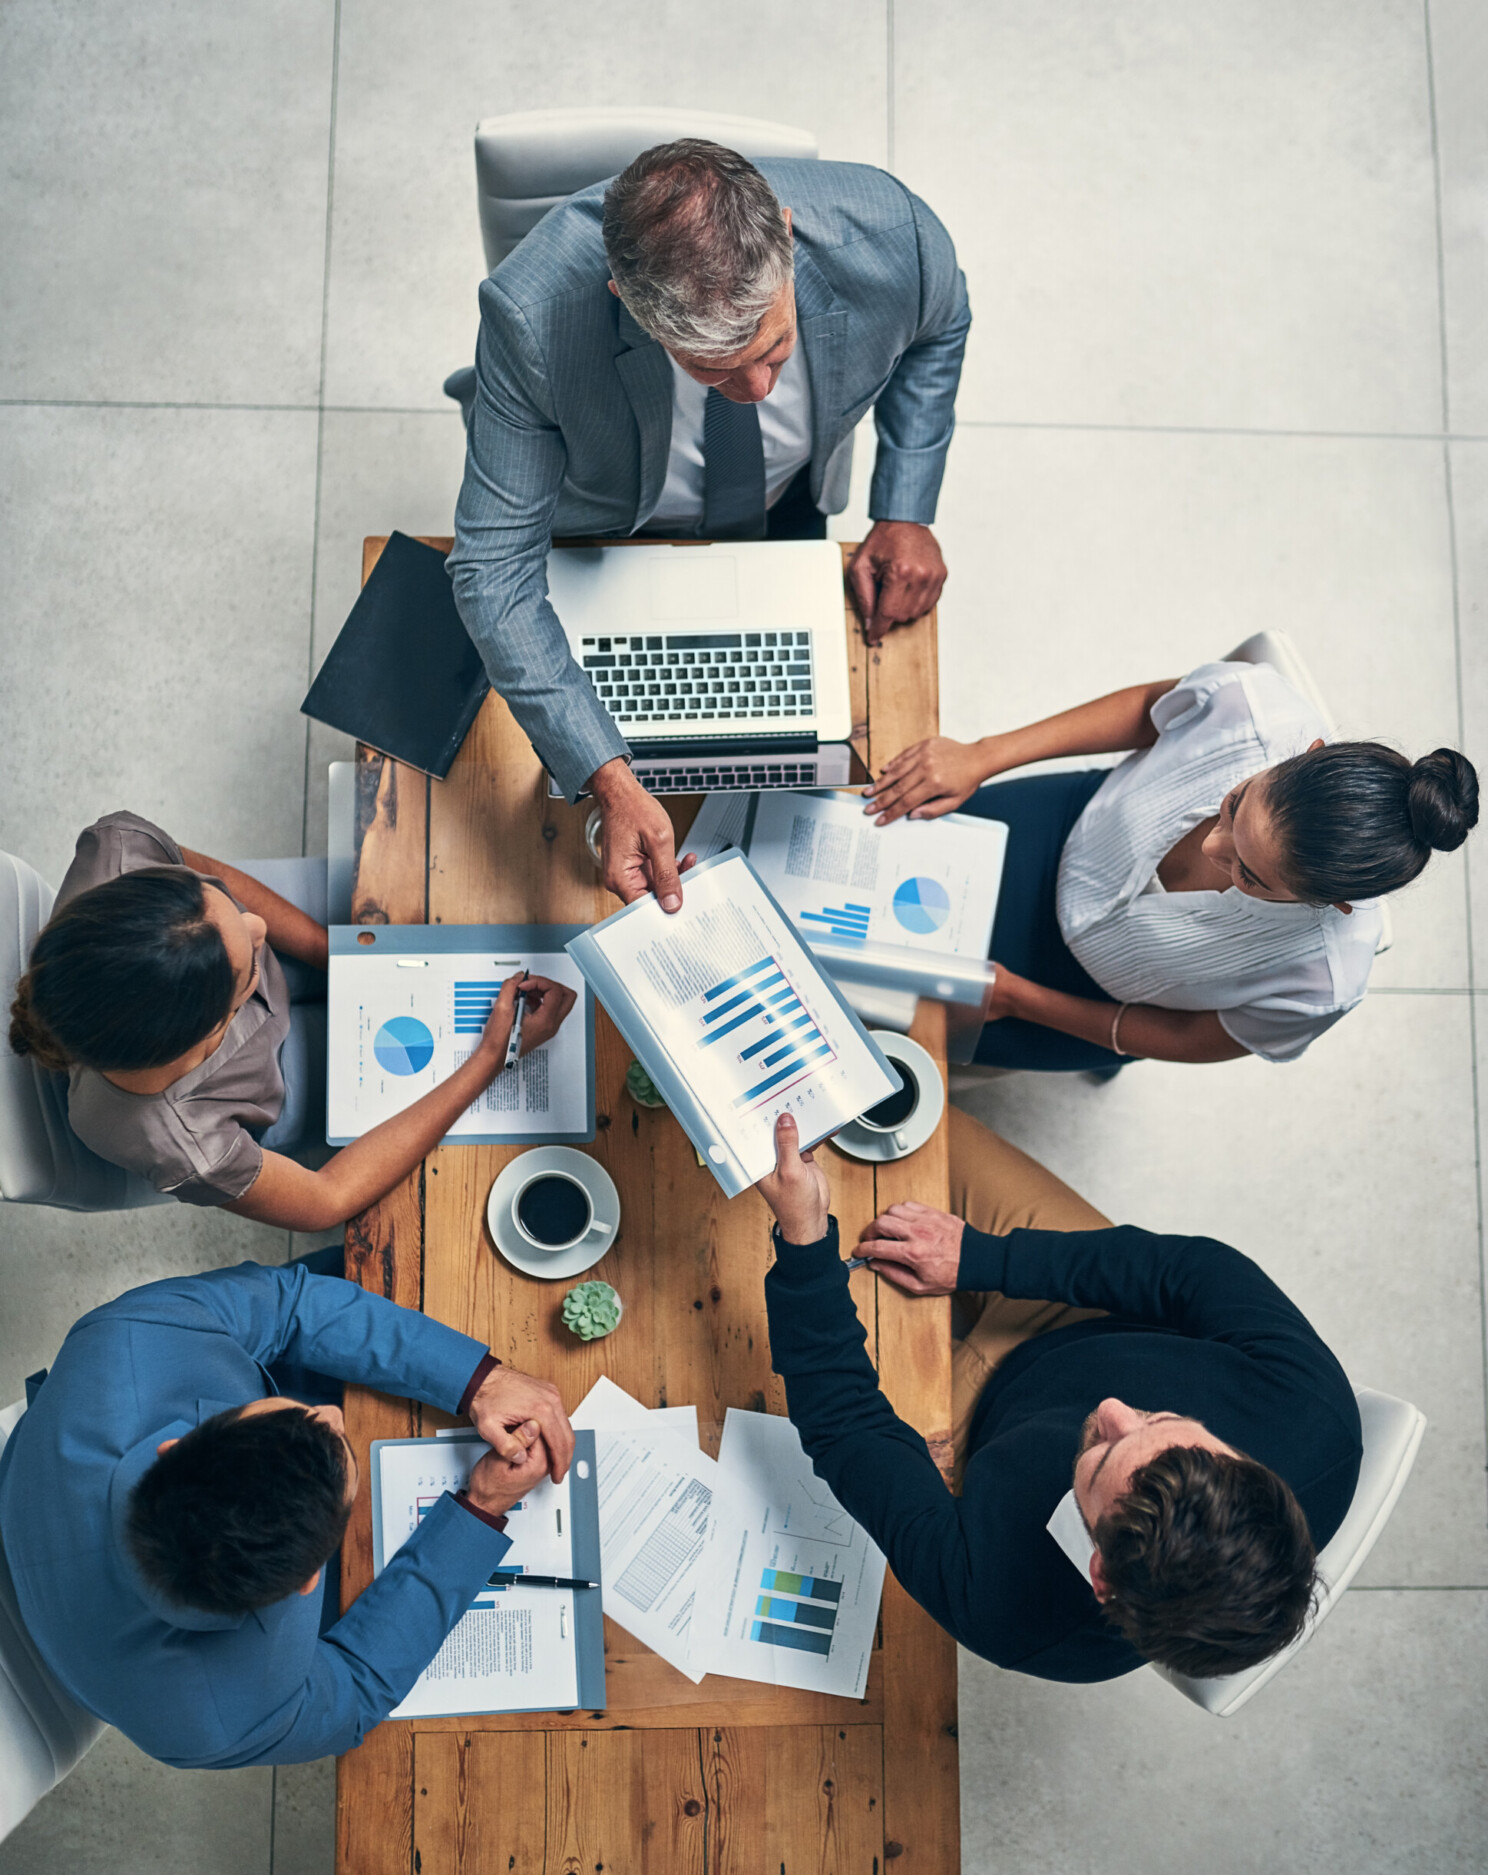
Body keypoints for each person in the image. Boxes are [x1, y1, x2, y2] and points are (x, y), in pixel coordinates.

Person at [449, 138, 970, 911]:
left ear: (786, 236)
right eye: (713, 370)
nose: (755, 390)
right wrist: (607, 776)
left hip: (787, 501)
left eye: (775, 347)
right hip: (610, 526)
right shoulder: (532, 318)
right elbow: (491, 573)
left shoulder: (899, 238)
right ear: (626, 299)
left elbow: (941, 331)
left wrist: (904, 505)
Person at [757, 1108, 1362, 1682]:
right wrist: (984, 1256)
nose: (1111, 1409)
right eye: (1163, 1418)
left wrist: (804, 1239)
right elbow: (1189, 1271)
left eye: (1103, 1455)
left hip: (973, 1434)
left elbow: (846, 1425)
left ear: (1102, 1575)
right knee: (889, 1111)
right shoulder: (1314, 1414)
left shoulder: (1016, 1618)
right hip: (1079, 1315)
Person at [0, 1247, 576, 1768]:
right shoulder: (218, 1721)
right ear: (308, 1584)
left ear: (175, 1446)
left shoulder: (131, 1335)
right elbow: (353, 1693)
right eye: (333, 1436)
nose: (332, 1415)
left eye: (297, 1414)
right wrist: (480, 1509)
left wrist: (477, 1381)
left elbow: (289, 1300)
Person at [862, 658, 1479, 1069]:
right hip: (1067, 828)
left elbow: (1187, 1039)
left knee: (887, 1039)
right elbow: (1148, 709)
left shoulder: (1321, 983)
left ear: (1332, 904)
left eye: (1250, 876)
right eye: (1234, 806)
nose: (1212, 848)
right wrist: (984, 754)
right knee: (856, 873)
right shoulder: (1251, 707)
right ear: (1305, 754)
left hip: (1081, 998)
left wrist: (1023, 1001)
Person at [7, 812, 576, 1226]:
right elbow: (327, 1199)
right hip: (262, 1076)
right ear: (209, 1037)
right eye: (243, 966)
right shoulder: (189, 1145)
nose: (257, 927)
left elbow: (204, 879)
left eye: (221, 907)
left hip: (235, 974)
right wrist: (488, 1058)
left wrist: (335, 952)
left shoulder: (120, 853)